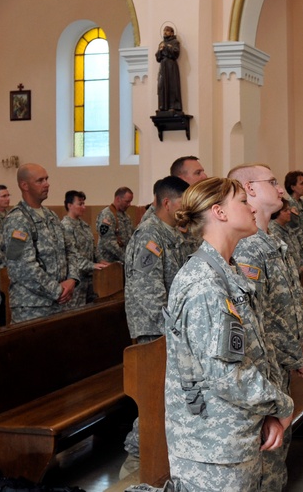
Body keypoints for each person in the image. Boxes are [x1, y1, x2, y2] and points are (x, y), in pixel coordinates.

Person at [163, 177, 293, 491]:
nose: (251, 207)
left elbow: (253, 351)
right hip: (213, 447)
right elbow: (226, 376)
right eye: (242, 202)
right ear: (219, 212)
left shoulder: (227, 271)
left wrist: (268, 412)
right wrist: (281, 404)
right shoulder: (205, 284)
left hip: (236, 433)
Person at [230, 164, 303, 492]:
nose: (280, 189)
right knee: (265, 466)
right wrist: (297, 353)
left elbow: (296, 300)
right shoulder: (248, 247)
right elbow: (260, 318)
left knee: (276, 460)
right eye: (272, 182)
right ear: (250, 189)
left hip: (279, 369)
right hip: (262, 372)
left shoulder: (272, 240)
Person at [120, 176, 189, 477]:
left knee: (165, 398)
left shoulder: (169, 232)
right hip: (155, 332)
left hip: (168, 330)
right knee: (153, 399)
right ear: (167, 203)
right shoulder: (150, 235)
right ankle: (136, 460)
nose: (186, 211)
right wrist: (171, 331)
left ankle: (160, 458)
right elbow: (149, 293)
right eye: (182, 205)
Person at [2, 164, 80, 323]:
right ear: (24, 185)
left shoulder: (51, 216)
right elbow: (21, 267)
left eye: (46, 179)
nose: (47, 184)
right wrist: (57, 290)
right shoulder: (17, 220)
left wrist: (72, 279)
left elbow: (70, 250)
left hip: (61, 304)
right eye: (40, 180)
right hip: (33, 309)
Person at [61, 190, 109, 306]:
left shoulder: (84, 225)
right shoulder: (65, 226)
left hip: (91, 279)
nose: (84, 207)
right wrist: (92, 265)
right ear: (69, 205)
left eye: (84, 203)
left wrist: (101, 260)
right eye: (80, 204)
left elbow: (93, 247)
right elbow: (72, 255)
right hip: (76, 280)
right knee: (76, 315)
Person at [140, 155, 209, 225]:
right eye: (198, 173)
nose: (205, 176)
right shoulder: (169, 209)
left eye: (203, 172)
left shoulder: (199, 203)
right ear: (181, 179)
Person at [268, 198, 303, 272]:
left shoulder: (287, 227)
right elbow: (283, 257)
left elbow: (297, 249)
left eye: (289, 209)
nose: (289, 212)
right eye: (285, 210)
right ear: (276, 213)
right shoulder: (274, 231)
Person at [97, 187, 134, 263]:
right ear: (118, 199)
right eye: (127, 201)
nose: (129, 204)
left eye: (130, 202)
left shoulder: (126, 216)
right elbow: (108, 242)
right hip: (109, 263)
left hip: (123, 261)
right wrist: (127, 258)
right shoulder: (107, 215)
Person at [156, 25, 183, 113]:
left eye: (167, 30)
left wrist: (166, 47)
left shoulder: (175, 42)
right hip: (163, 66)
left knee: (172, 85)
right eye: (164, 30)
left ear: (172, 33)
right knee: (161, 86)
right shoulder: (161, 43)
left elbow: (176, 53)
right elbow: (158, 58)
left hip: (171, 66)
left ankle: (173, 105)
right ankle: (162, 106)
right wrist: (160, 51)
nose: (165, 32)